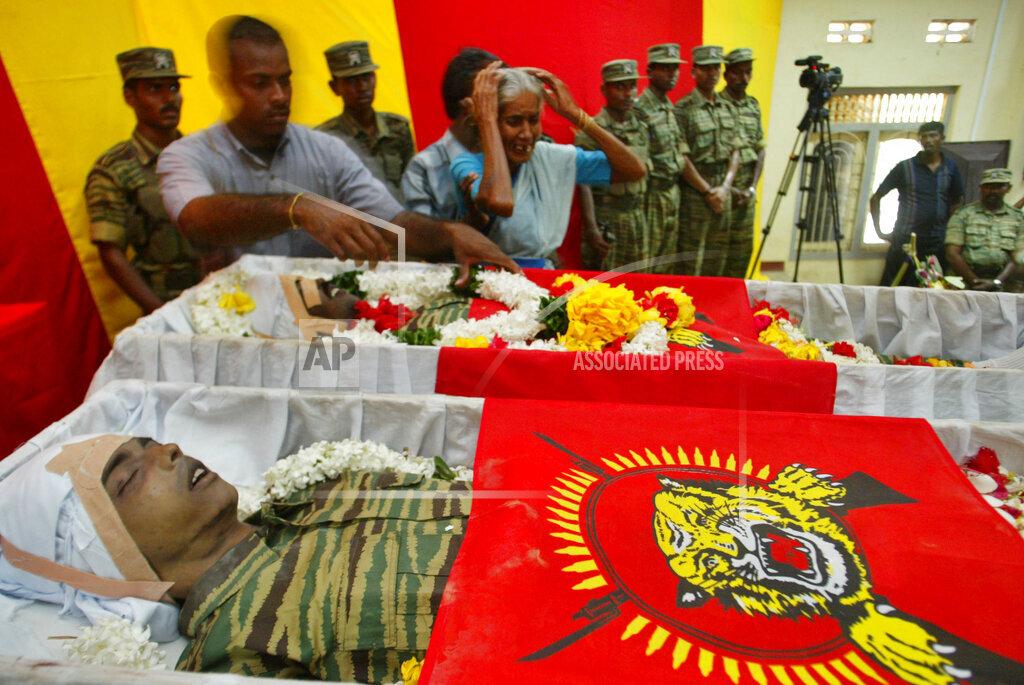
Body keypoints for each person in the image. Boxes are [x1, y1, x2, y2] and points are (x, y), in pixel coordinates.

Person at [0, 434, 469, 682]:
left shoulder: (318, 491)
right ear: (105, 559)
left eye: (152, 444)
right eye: (126, 479)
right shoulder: (240, 654)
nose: (169, 450)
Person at [157, 16, 516, 283]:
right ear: (223, 84)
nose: (280, 96)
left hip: (324, 326)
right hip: (235, 328)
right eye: (260, 83)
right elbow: (195, 219)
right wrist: (298, 208)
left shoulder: (328, 150)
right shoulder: (187, 155)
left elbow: (393, 224)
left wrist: (451, 234)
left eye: (285, 80)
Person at [450, 64, 646, 265]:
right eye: (514, 121)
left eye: (533, 120)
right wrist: (487, 121)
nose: (526, 133)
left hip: (541, 278)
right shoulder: (466, 164)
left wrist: (575, 114)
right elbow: (500, 203)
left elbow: (633, 170)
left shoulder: (550, 157)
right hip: (490, 281)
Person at [86, 48, 205, 312]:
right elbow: (111, 252)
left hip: (221, 295)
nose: (169, 98)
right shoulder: (114, 169)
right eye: (154, 89)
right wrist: (159, 312)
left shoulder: (205, 154)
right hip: (163, 300)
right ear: (130, 97)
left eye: (174, 88)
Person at [400, 47, 503, 223]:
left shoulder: (512, 155)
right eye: (492, 96)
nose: (506, 103)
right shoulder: (424, 169)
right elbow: (421, 244)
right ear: (466, 106)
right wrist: (468, 224)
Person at [575, 59, 651, 270]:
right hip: (607, 217)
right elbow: (583, 183)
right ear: (604, 90)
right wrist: (591, 227)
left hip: (637, 217)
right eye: (619, 87)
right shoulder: (593, 130)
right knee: (605, 282)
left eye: (632, 86)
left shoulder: (642, 126)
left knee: (640, 280)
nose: (628, 93)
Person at [674, 45, 743, 276]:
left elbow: (736, 150)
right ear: (694, 72)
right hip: (696, 192)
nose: (712, 73)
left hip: (723, 190)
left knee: (718, 256)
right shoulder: (683, 109)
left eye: (716, 67)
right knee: (689, 260)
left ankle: (712, 310)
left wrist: (724, 188)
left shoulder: (728, 107)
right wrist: (707, 192)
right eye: (705, 68)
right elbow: (681, 157)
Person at [870, 121, 964, 287]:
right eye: (924, 136)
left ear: (942, 138)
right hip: (905, 242)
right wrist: (879, 231)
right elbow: (876, 197)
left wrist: (950, 233)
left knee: (930, 292)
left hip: (936, 244)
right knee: (892, 290)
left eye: (933, 135)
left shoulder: (951, 168)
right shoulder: (905, 167)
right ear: (920, 140)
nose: (928, 140)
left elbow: (957, 202)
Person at [316, 41, 415, 198]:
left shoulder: (398, 128)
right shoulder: (324, 140)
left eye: (366, 77)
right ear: (334, 87)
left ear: (374, 79)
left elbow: (412, 185)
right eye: (351, 80)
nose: (362, 87)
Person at [635, 43, 688, 274]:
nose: (672, 74)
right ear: (650, 71)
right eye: (665, 68)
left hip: (672, 193)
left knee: (667, 262)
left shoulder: (668, 107)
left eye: (675, 68)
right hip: (651, 197)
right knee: (647, 262)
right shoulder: (640, 108)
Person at [718, 47, 765, 278]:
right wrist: (730, 189)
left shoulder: (753, 106)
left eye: (749, 72)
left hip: (746, 196)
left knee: (741, 257)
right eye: (738, 73)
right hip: (720, 194)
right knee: (715, 258)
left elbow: (760, 149)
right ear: (726, 74)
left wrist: (751, 188)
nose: (744, 78)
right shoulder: (716, 105)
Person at [945, 168, 1023, 292]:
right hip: (965, 282)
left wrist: (996, 282)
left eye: (999, 186)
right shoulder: (963, 214)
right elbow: (952, 254)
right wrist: (976, 283)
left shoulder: (1018, 218)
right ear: (981, 188)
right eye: (988, 186)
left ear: (1008, 188)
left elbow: (1018, 257)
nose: (993, 191)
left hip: (1003, 282)